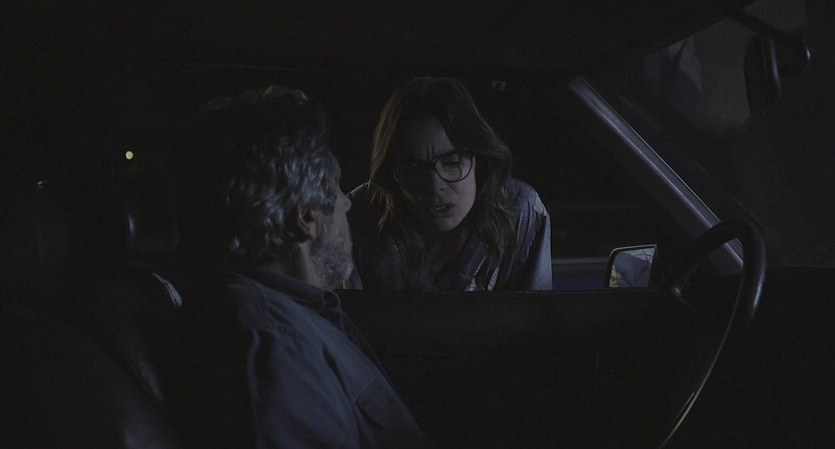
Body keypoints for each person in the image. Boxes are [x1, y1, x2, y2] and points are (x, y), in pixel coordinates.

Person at [174, 86, 427, 449]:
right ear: (305, 219)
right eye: (336, 189)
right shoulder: (277, 352)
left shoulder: (293, 320)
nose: (346, 203)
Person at [348, 77, 552, 291]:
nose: (435, 185)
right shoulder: (361, 214)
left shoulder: (520, 210)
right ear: (392, 175)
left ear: (479, 159)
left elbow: (537, 309)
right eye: (413, 169)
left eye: (452, 163)